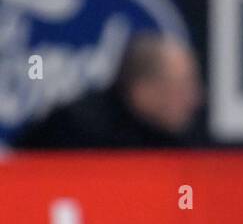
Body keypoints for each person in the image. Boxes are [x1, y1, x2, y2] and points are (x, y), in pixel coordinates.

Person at [14, 32, 202, 149]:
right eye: (182, 88)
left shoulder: (174, 145)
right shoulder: (73, 132)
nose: (195, 100)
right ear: (143, 91)